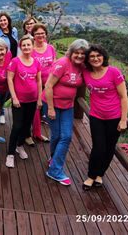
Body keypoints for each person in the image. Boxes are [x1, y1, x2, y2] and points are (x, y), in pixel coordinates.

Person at [43, 39, 89, 186]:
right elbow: (48, 85)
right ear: (71, 52)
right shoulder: (62, 63)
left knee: (66, 137)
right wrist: (50, 108)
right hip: (52, 104)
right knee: (57, 135)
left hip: (68, 106)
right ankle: (55, 168)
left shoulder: (82, 67)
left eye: (83, 54)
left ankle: (54, 166)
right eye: (77, 53)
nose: (79, 56)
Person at [82, 45, 128, 190]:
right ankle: (91, 176)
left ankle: (100, 175)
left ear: (104, 57)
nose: (95, 59)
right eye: (92, 57)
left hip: (114, 117)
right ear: (88, 60)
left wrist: (123, 119)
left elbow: (124, 97)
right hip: (96, 116)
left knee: (109, 148)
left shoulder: (114, 72)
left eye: (98, 55)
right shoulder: (86, 73)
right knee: (98, 147)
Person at [5, 35, 42, 168]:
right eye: (24, 45)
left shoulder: (36, 62)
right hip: (19, 100)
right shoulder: (15, 61)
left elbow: (38, 80)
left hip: (32, 100)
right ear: (21, 47)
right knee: (17, 126)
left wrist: (39, 98)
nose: (26, 47)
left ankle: (20, 146)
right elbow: (9, 79)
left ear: (33, 46)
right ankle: (10, 153)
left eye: (28, 45)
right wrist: (14, 97)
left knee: (27, 127)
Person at [28, 23, 55, 143]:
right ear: (33, 35)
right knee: (34, 109)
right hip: (34, 83)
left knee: (42, 108)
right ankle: (32, 133)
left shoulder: (50, 48)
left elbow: (54, 65)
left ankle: (37, 132)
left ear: (46, 34)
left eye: (42, 33)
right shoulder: (30, 49)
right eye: (37, 33)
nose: (40, 35)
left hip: (49, 84)